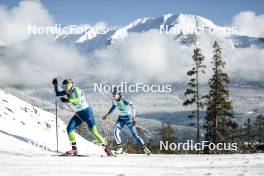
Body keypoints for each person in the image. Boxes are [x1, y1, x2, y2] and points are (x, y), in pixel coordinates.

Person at [52, 78, 111, 156]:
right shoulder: (67, 92)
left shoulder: (77, 90)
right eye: (63, 87)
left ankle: (106, 149)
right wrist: (55, 86)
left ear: (70, 85)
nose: (64, 88)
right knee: (69, 128)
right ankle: (74, 150)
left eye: (65, 86)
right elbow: (57, 94)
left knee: (94, 131)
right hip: (79, 113)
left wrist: (67, 100)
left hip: (87, 112)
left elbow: (78, 100)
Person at [102, 87, 151, 155]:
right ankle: (120, 148)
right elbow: (113, 108)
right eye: (112, 93)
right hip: (121, 118)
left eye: (114, 94)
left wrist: (133, 118)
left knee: (135, 135)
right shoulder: (114, 100)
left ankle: (144, 148)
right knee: (116, 131)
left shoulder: (124, 100)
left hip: (128, 118)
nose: (113, 95)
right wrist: (106, 114)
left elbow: (133, 107)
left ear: (118, 94)